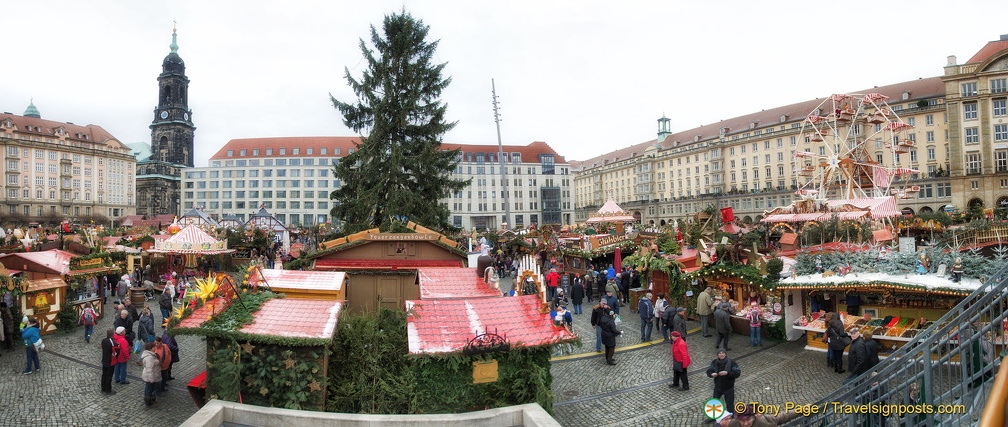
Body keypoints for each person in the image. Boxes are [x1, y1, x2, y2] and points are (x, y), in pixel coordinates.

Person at [707, 348, 741, 416]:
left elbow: (737, 373)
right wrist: (711, 374)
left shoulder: (732, 362)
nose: (721, 354)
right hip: (718, 386)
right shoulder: (714, 362)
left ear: (725, 354)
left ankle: (730, 416)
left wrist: (728, 373)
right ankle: (714, 416)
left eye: (723, 353)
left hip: (728, 387)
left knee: (729, 403)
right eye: (720, 353)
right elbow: (709, 370)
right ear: (717, 355)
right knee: (715, 403)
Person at [726, 404, 801, 427]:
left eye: (749, 419)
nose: (746, 424)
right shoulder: (732, 425)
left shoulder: (766, 422)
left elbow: (784, 416)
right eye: (742, 420)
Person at [140, 341, 162, 406]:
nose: (155, 347)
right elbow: (149, 370)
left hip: (153, 376)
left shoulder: (151, 355)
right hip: (150, 378)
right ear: (150, 348)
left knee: (150, 389)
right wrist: (152, 380)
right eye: (154, 346)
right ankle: (148, 403)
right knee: (149, 390)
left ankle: (151, 401)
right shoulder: (149, 358)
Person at [100, 328, 117, 395]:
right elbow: (116, 353)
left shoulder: (104, 340)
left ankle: (103, 388)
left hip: (104, 359)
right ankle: (108, 389)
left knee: (104, 374)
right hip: (110, 361)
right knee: (109, 375)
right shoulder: (113, 342)